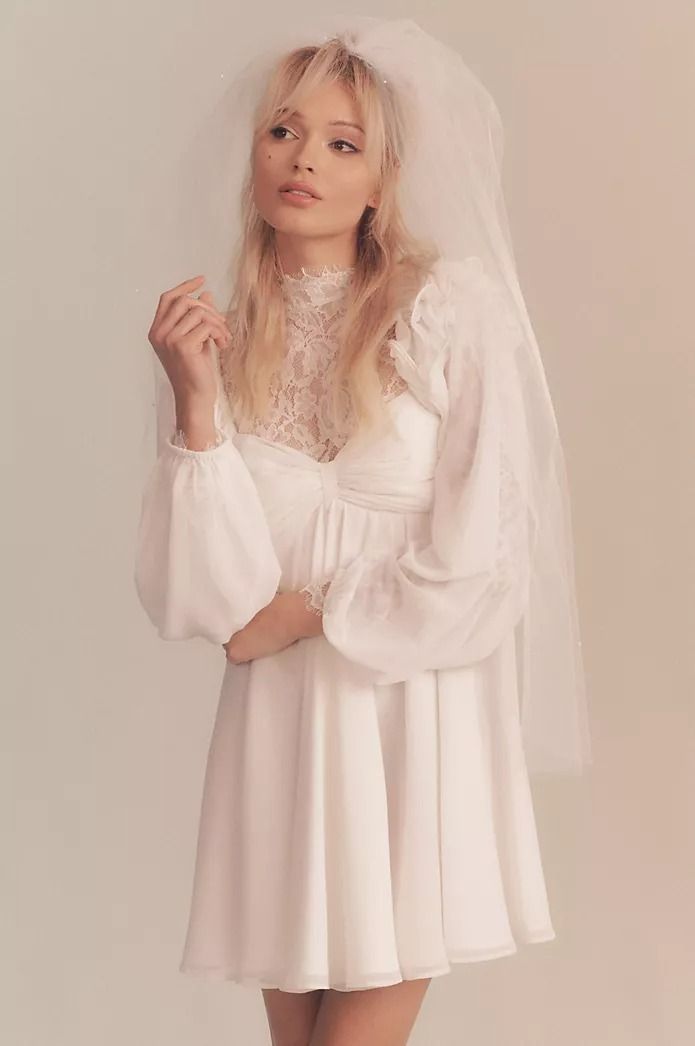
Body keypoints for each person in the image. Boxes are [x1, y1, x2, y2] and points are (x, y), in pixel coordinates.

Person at [134, 16, 592, 1046]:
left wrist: (306, 609)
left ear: (382, 179)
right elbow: (205, 602)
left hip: (407, 710)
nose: (303, 160)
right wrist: (196, 410)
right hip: (281, 729)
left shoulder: (450, 311)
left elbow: (485, 551)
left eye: (342, 143)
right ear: (252, 154)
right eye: (283, 133)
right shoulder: (220, 339)